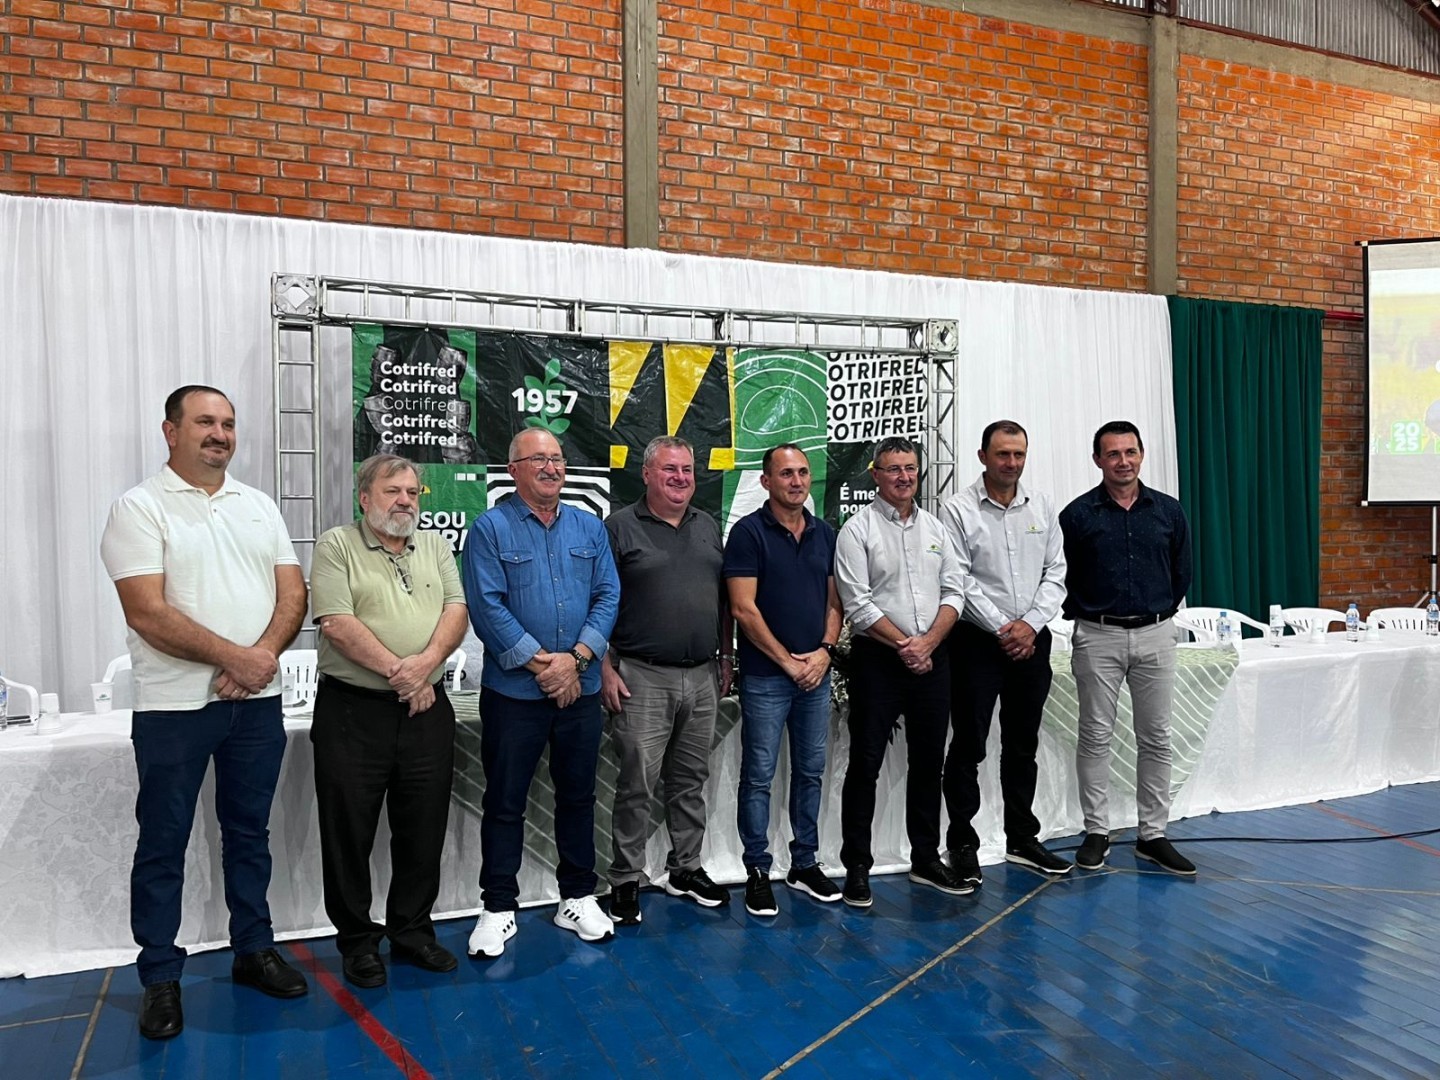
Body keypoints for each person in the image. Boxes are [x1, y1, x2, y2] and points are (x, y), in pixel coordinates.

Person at [100, 385, 309, 1041]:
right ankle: (160, 975)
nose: (220, 434)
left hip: (256, 707)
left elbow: (293, 594)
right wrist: (239, 658)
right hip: (173, 708)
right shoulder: (138, 508)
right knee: (164, 843)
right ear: (171, 431)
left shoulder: (259, 505)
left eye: (228, 423)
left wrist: (261, 658)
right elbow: (147, 612)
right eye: (204, 422)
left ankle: (254, 949)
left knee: (249, 835)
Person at [308, 454, 470, 988]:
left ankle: (412, 931)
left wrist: (424, 669)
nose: (405, 501)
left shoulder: (436, 546)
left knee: (423, 828)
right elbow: (336, 623)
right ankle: (357, 941)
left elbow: (456, 611)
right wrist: (405, 676)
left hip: (427, 712)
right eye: (392, 491)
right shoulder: (336, 545)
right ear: (364, 498)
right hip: (354, 713)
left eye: (413, 493)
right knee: (348, 833)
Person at [462, 429, 620, 957]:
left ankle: (576, 897)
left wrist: (576, 661)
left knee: (578, 796)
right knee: (505, 801)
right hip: (513, 695)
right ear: (513, 470)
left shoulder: (589, 526)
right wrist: (546, 665)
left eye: (557, 458)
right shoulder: (489, 529)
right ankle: (498, 907)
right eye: (538, 459)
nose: (552, 468)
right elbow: (486, 607)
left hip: (582, 689)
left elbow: (608, 596)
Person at [603, 437, 733, 925]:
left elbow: (724, 599)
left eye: (687, 469)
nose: (680, 478)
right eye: (669, 469)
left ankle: (686, 868)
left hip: (702, 674)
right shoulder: (619, 527)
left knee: (690, 781)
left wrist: (727, 655)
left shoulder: (708, 526)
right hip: (640, 675)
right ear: (646, 474)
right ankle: (625, 877)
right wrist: (604, 666)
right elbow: (598, 599)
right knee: (636, 783)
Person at [834, 435, 968, 908]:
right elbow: (857, 603)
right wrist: (907, 646)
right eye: (893, 469)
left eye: (910, 468)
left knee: (929, 763)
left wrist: (927, 643)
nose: (903, 477)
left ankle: (926, 858)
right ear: (875, 475)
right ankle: (857, 866)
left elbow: (955, 592)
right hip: (878, 662)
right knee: (865, 764)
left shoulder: (936, 528)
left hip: (933, 659)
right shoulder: (857, 530)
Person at [1059, 420, 1195, 876]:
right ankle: (1096, 831)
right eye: (1113, 453)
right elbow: (1063, 575)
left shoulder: (1169, 511)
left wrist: (1156, 613)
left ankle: (1152, 835)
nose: (1123, 461)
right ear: (1098, 460)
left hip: (1157, 633)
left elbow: (1181, 573)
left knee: (1156, 738)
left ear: (1141, 454)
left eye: (1130, 452)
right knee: (1095, 736)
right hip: (1097, 635)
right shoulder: (1077, 516)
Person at [938, 421, 1070, 887]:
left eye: (1018, 454)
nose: (1011, 463)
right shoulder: (957, 510)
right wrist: (1004, 628)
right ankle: (962, 842)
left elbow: (1056, 572)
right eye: (1002, 454)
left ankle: (1022, 837)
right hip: (976, 643)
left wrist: (1029, 625)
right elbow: (959, 580)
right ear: (982, 456)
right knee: (969, 745)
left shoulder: (1043, 506)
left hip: (1032, 640)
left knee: (1022, 744)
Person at [724, 444, 843, 918]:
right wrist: (788, 663)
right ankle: (757, 869)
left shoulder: (825, 533)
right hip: (766, 679)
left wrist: (825, 652)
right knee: (758, 776)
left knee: (810, 772)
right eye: (786, 474)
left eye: (802, 473)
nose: (796, 481)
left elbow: (836, 601)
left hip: (816, 674)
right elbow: (742, 609)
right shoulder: (747, 533)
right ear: (766, 481)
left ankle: (804, 863)